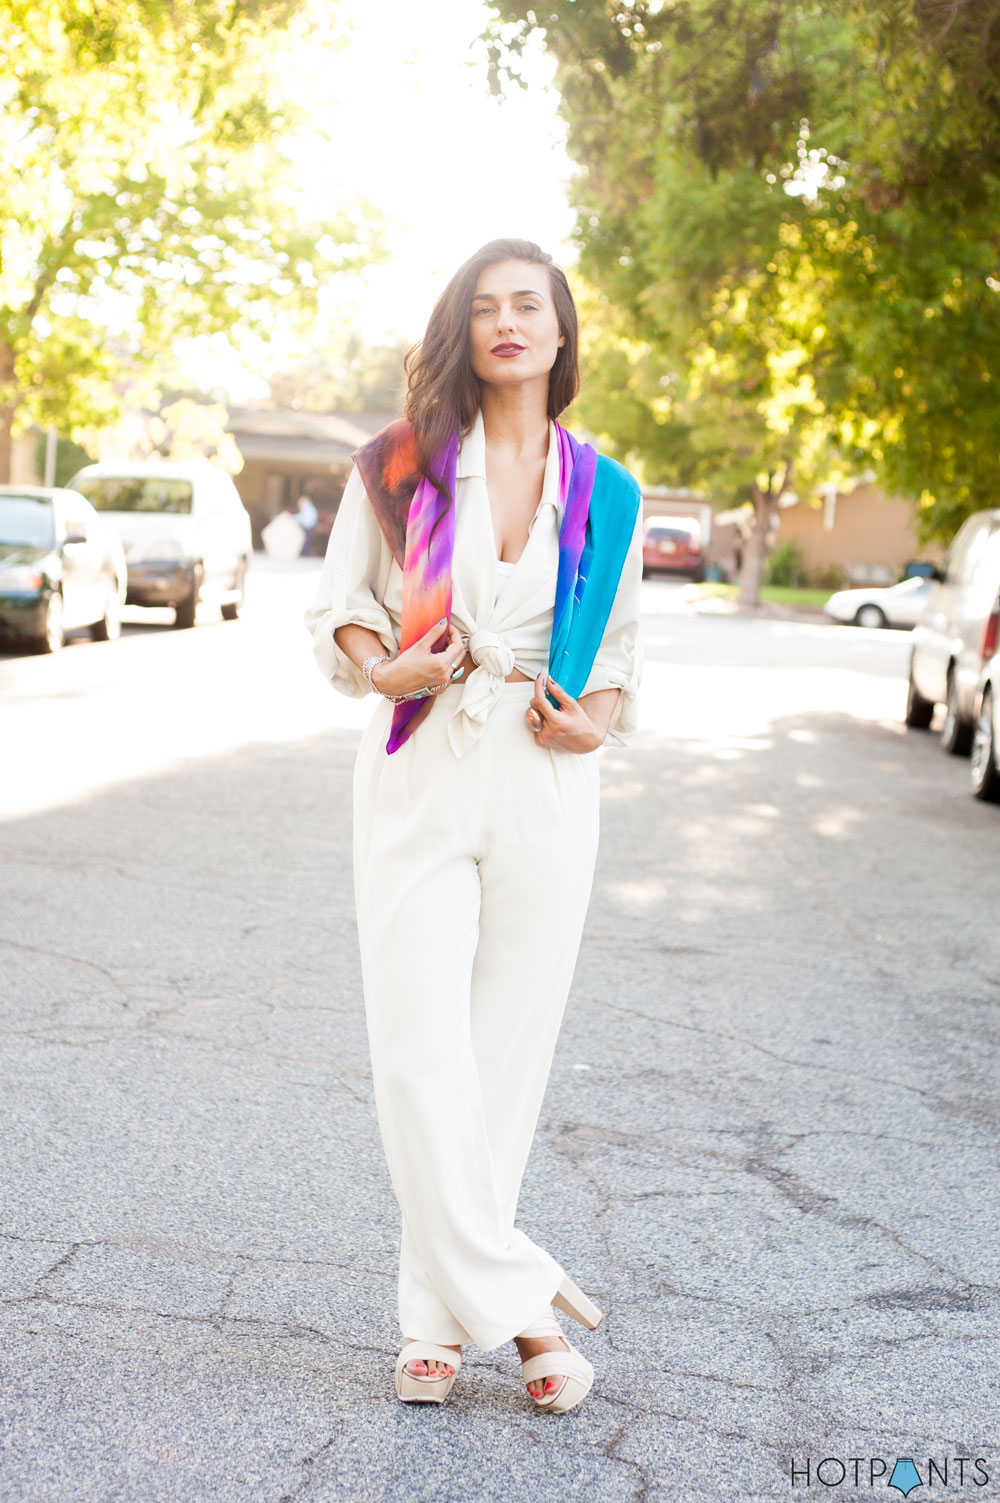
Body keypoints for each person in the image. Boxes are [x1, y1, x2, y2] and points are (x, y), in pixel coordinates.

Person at [304, 237, 643, 1415]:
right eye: (484, 306)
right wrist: (384, 670)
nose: (506, 322)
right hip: (420, 758)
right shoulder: (398, 464)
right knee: (417, 1046)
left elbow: (622, 665)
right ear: (466, 330)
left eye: (527, 306)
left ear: (559, 336)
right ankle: (523, 1300)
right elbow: (343, 607)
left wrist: (589, 722)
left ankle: (434, 1324)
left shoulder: (608, 490)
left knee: (506, 1053)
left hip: (545, 781)